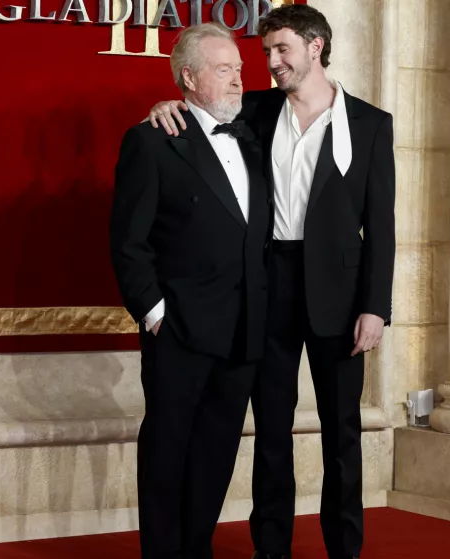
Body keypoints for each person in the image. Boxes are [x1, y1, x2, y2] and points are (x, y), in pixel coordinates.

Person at [144, 5, 396, 559]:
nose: (271, 63)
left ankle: (344, 549)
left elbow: (381, 224)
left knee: (342, 434)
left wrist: (376, 306)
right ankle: (271, 549)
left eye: (281, 50)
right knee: (271, 434)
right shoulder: (255, 112)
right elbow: (198, 122)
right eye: (266, 53)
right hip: (268, 287)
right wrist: (167, 105)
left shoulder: (371, 124)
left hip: (341, 297)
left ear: (316, 47)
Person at [109, 22, 271, 559]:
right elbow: (128, 241)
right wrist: (155, 313)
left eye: (240, 70)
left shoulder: (253, 132)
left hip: (245, 326)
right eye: (224, 70)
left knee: (217, 451)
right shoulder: (152, 140)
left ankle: (196, 548)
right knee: (168, 450)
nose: (237, 81)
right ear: (189, 77)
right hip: (179, 327)